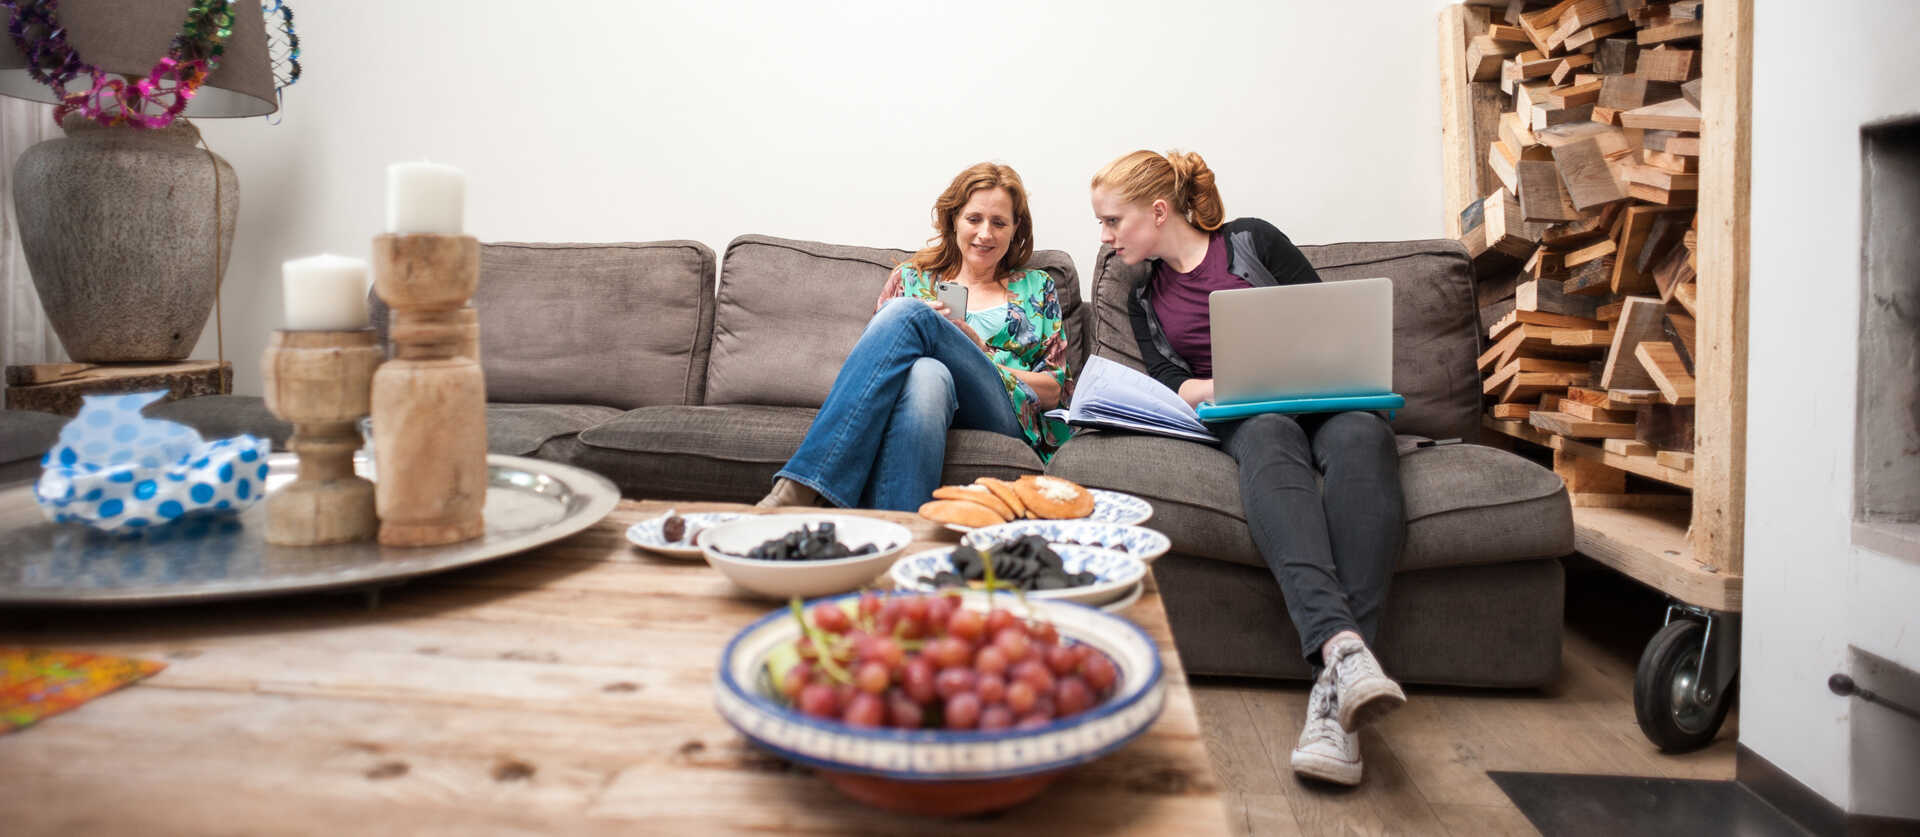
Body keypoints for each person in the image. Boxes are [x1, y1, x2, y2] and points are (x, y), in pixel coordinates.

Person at [1090, 149, 1407, 786]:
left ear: (1158, 211)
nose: (1104, 236)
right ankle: (1342, 664)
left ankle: (1332, 681)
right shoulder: (1143, 294)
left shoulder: (1252, 241)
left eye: (1112, 220)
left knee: (1362, 442)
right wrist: (1225, 385)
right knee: (1265, 438)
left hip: (1328, 396)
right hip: (1245, 412)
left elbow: (1331, 323)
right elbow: (1172, 381)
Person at [758, 162, 1073, 512]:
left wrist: (980, 354)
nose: (986, 233)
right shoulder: (911, 278)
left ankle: (803, 486)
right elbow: (876, 368)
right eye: (974, 219)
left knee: (908, 313)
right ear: (954, 219)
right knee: (927, 372)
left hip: (1002, 410)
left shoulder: (1037, 287)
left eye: (999, 222)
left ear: (1016, 228)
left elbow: (1052, 390)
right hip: (925, 398)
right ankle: (903, 533)